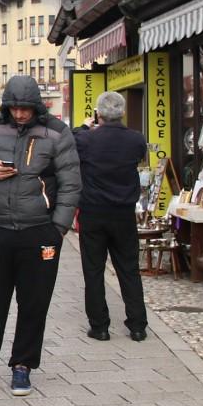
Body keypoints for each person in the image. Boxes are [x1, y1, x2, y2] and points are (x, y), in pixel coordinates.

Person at [0, 75, 80, 397]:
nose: (21, 115)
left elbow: (71, 183)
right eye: (15, 108)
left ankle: (22, 366)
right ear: (6, 106)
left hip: (39, 231)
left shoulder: (57, 132)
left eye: (26, 109)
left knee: (34, 304)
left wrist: (58, 228)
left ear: (36, 106)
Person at [74, 92, 150, 342]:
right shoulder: (136, 139)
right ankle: (137, 326)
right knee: (128, 269)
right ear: (123, 112)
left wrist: (85, 125)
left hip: (94, 211)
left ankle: (100, 326)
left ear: (99, 113)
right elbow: (139, 157)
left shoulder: (87, 139)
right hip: (124, 212)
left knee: (93, 270)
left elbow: (72, 139)